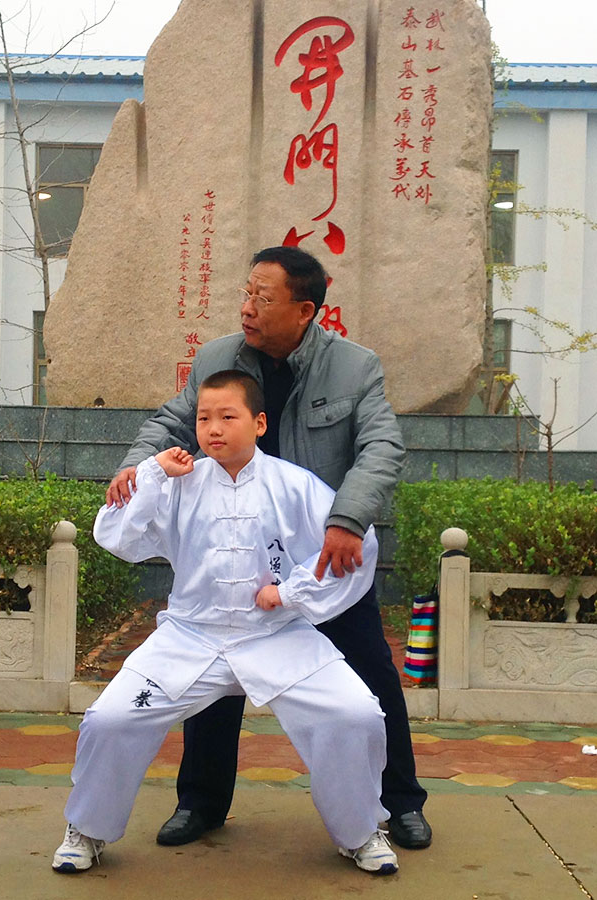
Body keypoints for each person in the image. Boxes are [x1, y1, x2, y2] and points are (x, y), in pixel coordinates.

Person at [107, 246, 432, 851]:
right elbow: (171, 422)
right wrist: (137, 466)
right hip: (232, 543)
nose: (248, 308)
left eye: (264, 298)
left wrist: (347, 519)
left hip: (320, 554)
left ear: (305, 310)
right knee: (210, 671)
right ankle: (201, 802)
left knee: (369, 678)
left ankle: (399, 802)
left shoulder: (354, 367)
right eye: (246, 293)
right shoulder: (218, 358)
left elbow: (382, 447)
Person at [53, 371, 399, 876]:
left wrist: (291, 593)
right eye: (203, 418)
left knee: (356, 714)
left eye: (227, 417)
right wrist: (152, 473)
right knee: (111, 719)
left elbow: (356, 545)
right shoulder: (180, 482)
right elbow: (117, 536)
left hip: (276, 635)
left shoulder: (294, 485)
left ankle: (361, 831)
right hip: (190, 635)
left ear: (259, 423)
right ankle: (87, 828)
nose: (213, 429)